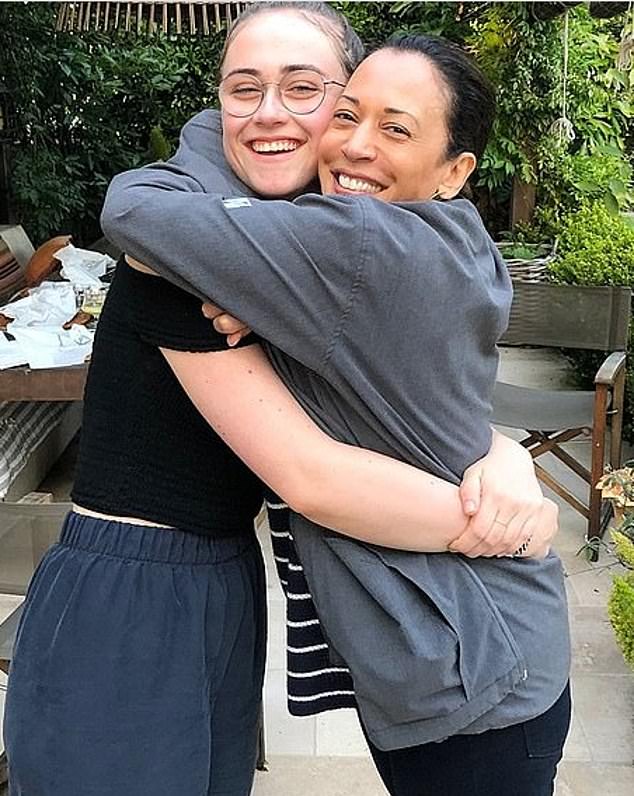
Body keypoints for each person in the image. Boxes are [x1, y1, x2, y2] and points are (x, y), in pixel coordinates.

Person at [2, 5, 553, 796]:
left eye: (306, 89)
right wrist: (507, 526)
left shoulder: (296, 246)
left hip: (220, 582)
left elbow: (410, 398)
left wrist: (504, 456)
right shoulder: (185, 252)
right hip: (131, 595)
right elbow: (313, 477)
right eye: (243, 89)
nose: (268, 114)